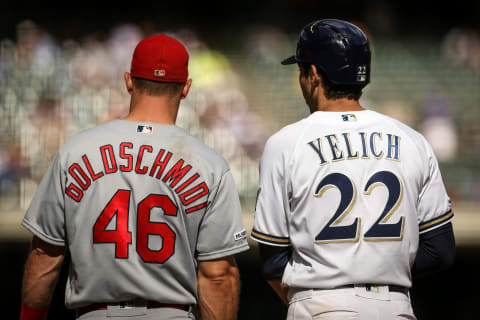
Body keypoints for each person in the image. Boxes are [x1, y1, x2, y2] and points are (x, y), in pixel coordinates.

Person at [20, 34, 249, 320]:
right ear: (186, 88)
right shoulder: (210, 164)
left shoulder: (75, 152)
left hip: (95, 314)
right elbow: (218, 276)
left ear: (129, 81)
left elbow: (45, 255)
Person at [250, 19, 455, 320]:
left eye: (302, 70)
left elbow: (272, 260)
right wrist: (381, 271)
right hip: (394, 307)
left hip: (319, 304)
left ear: (315, 75)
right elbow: (440, 251)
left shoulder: (285, 143)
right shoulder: (413, 140)